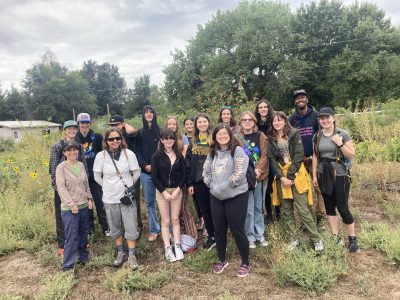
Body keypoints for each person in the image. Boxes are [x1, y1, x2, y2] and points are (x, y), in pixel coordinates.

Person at [268, 111, 323, 251]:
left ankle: (316, 239)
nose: (277, 123)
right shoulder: (271, 138)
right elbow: (272, 159)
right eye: (274, 121)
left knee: (302, 208)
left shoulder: (294, 133)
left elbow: (299, 154)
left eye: (279, 120)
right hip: (282, 176)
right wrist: (281, 177)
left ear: (285, 121)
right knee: (286, 209)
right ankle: (293, 239)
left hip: (297, 174)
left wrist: (290, 176)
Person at [203, 124, 250, 277]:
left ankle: (245, 262)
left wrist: (222, 186)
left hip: (236, 196)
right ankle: (222, 259)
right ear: (215, 136)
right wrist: (212, 186)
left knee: (237, 229)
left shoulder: (237, 151)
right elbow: (206, 172)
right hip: (216, 197)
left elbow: (239, 173)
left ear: (230, 135)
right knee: (219, 229)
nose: (222, 136)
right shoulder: (212, 153)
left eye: (225, 133)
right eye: (219, 134)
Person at [312, 107, 359, 252]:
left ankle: (352, 238)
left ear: (333, 118)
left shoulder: (342, 134)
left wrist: (340, 143)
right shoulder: (317, 136)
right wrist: (314, 175)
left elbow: (351, 155)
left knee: (342, 207)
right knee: (329, 206)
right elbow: (315, 157)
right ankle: (335, 236)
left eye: (327, 117)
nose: (324, 120)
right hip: (323, 174)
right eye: (321, 118)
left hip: (340, 174)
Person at [93, 128, 141, 269]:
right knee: (114, 226)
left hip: (126, 197)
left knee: (130, 225)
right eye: (111, 139)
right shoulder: (101, 156)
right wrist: (107, 187)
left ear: (121, 139)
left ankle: (132, 254)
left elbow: (136, 172)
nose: (115, 141)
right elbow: (97, 177)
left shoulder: (128, 154)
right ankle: (121, 252)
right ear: (106, 141)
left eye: (117, 138)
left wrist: (128, 186)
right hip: (109, 198)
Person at [49, 120, 88, 257]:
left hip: (78, 188)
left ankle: (80, 245)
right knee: (62, 217)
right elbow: (53, 169)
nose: (72, 131)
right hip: (62, 188)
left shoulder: (78, 146)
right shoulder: (58, 146)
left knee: (80, 216)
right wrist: (59, 190)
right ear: (64, 131)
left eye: (74, 129)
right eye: (69, 129)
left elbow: (83, 165)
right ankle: (62, 245)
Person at [289, 89, 325, 227]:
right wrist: (298, 157)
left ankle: (320, 218)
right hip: (299, 161)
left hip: (315, 159)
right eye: (297, 98)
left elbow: (321, 136)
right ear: (295, 101)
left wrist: (314, 155)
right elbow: (290, 140)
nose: (300, 100)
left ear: (307, 99)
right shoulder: (292, 119)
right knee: (303, 191)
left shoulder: (315, 116)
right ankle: (306, 220)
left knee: (318, 190)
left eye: (302, 97)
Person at [56, 141, 93, 271]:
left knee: (84, 234)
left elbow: (86, 184)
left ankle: (83, 257)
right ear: (64, 153)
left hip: (83, 205)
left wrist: (89, 198)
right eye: (69, 150)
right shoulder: (61, 167)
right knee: (72, 236)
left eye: (75, 150)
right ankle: (68, 266)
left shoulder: (81, 165)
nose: (72, 152)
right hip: (70, 209)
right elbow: (61, 188)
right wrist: (71, 204)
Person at [151, 128, 186, 262]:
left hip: (176, 191)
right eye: (165, 138)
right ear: (161, 140)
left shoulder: (179, 156)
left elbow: (184, 175)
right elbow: (154, 177)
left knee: (175, 219)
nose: (168, 141)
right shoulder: (156, 156)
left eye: (171, 138)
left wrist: (177, 190)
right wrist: (164, 192)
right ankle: (167, 248)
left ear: (174, 140)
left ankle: (177, 245)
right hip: (162, 192)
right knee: (166, 221)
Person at [236, 111, 269, 248]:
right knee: (248, 208)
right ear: (241, 122)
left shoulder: (260, 136)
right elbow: (236, 158)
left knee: (258, 207)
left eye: (250, 119)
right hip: (245, 178)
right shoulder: (236, 138)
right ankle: (250, 236)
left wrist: (258, 171)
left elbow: (265, 154)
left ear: (254, 122)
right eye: (244, 120)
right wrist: (249, 173)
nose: (247, 122)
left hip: (259, 177)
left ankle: (259, 234)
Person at [75, 113, 108, 235]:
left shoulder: (97, 137)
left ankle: (105, 227)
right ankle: (90, 229)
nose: (84, 125)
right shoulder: (75, 138)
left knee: (100, 202)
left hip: (95, 175)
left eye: (86, 123)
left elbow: (101, 155)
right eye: (82, 123)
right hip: (81, 176)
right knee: (86, 204)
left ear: (90, 123)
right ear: (78, 124)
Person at [186, 113, 215, 250]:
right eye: (200, 122)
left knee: (217, 209)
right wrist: (190, 183)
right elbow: (187, 163)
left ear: (208, 123)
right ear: (196, 125)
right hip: (198, 182)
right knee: (205, 210)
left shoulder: (215, 139)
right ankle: (211, 236)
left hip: (215, 181)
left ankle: (220, 235)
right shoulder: (192, 141)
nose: (202, 124)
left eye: (205, 121)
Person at [166, 116, 198, 239]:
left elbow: (184, 158)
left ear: (177, 126)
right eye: (169, 124)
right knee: (172, 211)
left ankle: (192, 234)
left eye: (174, 124)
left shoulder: (183, 138)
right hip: (168, 180)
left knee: (182, 208)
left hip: (181, 177)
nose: (172, 126)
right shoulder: (163, 138)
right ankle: (178, 234)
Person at [108, 115, 142, 230]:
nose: (114, 127)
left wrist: (123, 124)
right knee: (119, 200)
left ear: (122, 124)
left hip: (131, 172)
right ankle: (123, 226)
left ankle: (137, 224)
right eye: (112, 125)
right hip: (117, 174)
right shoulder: (110, 138)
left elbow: (133, 130)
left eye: (116, 124)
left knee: (133, 198)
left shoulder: (128, 135)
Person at [135, 106, 161, 241]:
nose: (149, 114)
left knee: (165, 201)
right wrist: (145, 165)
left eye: (151, 112)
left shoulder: (161, 131)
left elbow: (164, 151)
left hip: (161, 173)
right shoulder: (139, 133)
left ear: (154, 114)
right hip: (146, 173)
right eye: (146, 112)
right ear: (143, 115)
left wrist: (157, 166)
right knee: (150, 202)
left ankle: (168, 228)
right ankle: (154, 229)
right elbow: (137, 152)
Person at [254, 99, 279, 223]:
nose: (263, 109)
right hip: (262, 157)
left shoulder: (274, 121)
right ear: (258, 110)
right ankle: (268, 213)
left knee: (275, 184)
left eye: (265, 107)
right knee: (266, 186)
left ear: (268, 108)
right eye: (260, 107)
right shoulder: (255, 124)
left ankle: (278, 212)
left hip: (274, 156)